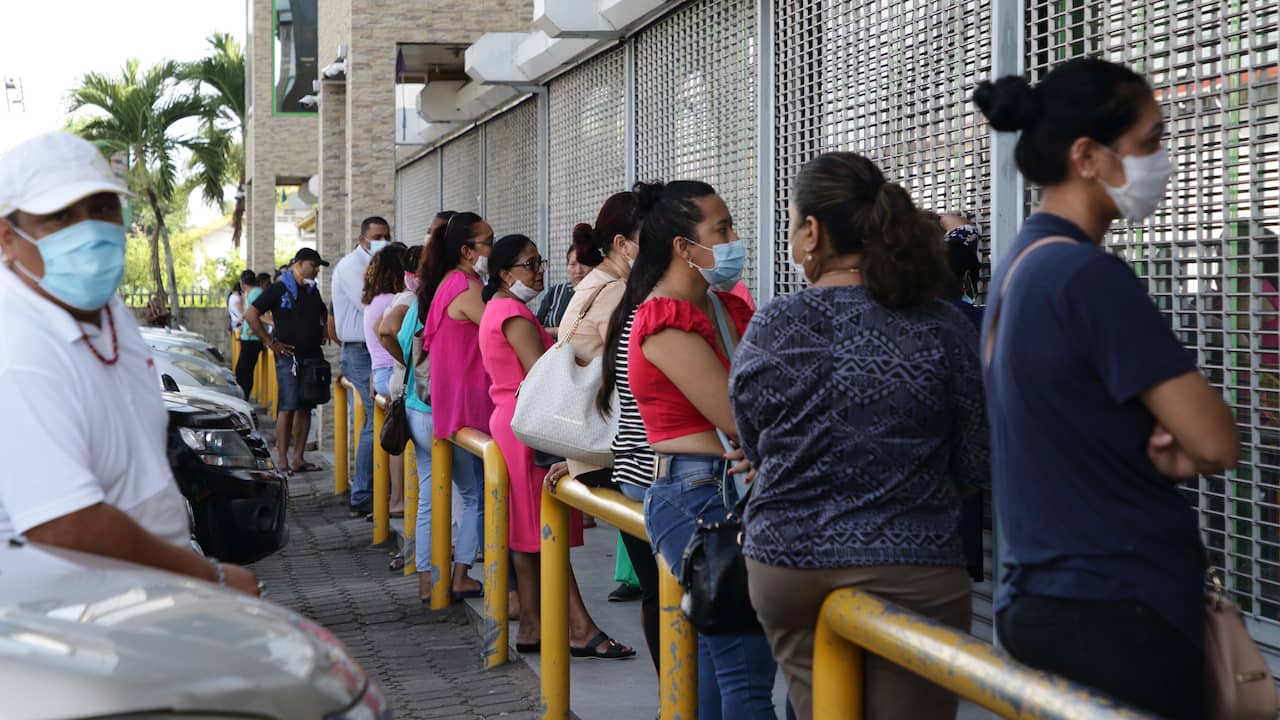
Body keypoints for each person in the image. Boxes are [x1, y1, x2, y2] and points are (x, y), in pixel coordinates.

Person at [973, 58, 1239, 719]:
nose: (1163, 160)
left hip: (1040, 598)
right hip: (1121, 609)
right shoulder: (1088, 277)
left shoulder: (1019, 268)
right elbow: (1216, 440)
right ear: (1087, 155)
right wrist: (1186, 442)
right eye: (1150, 142)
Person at [730, 152, 987, 720]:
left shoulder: (773, 325)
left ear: (813, 232)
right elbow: (974, 467)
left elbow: (754, 444)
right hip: (913, 568)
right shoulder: (945, 328)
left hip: (787, 567)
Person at [0, 130, 258, 596]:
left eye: (102, 208)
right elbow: (65, 525)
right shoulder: (16, 349)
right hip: (64, 625)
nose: (90, 229)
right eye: (60, 215)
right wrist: (209, 578)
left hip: (140, 599)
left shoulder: (102, 306)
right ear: (7, 238)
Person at [601, 180, 777, 719]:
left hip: (723, 490)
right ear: (683, 246)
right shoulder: (664, 317)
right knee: (746, 674)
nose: (734, 240)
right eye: (721, 230)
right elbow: (741, 415)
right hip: (700, 496)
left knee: (718, 667)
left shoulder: (718, 307)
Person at [480, 234, 634, 660]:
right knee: (545, 533)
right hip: (532, 429)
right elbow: (543, 374)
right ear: (505, 273)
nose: (540, 271)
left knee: (528, 537)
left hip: (514, 424)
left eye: (540, 262)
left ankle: (533, 623)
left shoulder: (498, 308)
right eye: (530, 265)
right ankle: (580, 628)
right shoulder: (511, 311)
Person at [563, 192, 660, 665]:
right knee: (662, 588)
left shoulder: (590, 285)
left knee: (656, 585)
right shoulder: (621, 293)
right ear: (623, 243)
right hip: (617, 450)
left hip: (591, 449)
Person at [417, 211, 491, 602]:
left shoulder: (446, 282)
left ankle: (435, 579)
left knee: (450, 496)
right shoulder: (466, 285)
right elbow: (503, 328)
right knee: (476, 496)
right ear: (466, 250)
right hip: (468, 407)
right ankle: (459, 575)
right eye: (487, 243)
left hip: (449, 406)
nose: (491, 251)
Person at [244, 248, 330, 474]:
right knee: (288, 406)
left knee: (306, 407)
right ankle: (282, 460)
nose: (317, 270)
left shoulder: (312, 291)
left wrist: (324, 329)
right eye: (314, 265)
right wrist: (270, 342)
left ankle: (298, 458)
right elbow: (251, 315)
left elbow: (323, 312)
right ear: (300, 264)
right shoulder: (278, 288)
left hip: (312, 357)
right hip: (288, 359)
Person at [332, 216, 392, 517]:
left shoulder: (377, 265)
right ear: (362, 239)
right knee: (374, 418)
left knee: (381, 416)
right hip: (360, 351)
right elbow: (370, 303)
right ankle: (363, 494)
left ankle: (380, 490)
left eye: (387, 235)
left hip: (374, 350)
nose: (383, 240)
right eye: (377, 236)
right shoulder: (350, 267)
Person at [362, 243, 407, 515]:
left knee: (396, 440)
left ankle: (396, 499)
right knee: (402, 443)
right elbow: (386, 334)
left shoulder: (372, 302)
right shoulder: (393, 301)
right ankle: (400, 498)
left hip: (379, 375)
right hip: (393, 374)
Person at [536, 245, 589, 333]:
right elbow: (536, 328)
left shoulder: (601, 294)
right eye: (573, 264)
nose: (578, 270)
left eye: (584, 263)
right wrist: (557, 331)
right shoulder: (555, 292)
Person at [235, 270, 264, 396]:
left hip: (252, 339)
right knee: (241, 369)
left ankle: (244, 396)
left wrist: (254, 328)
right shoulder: (251, 293)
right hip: (247, 337)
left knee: (245, 370)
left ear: (243, 282)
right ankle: (243, 394)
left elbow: (260, 313)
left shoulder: (256, 293)